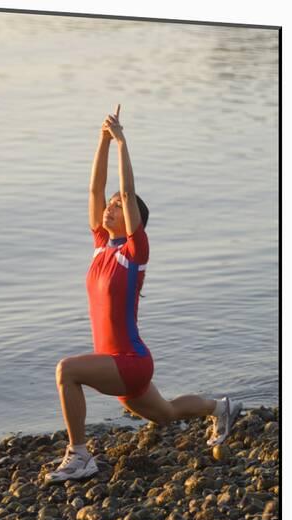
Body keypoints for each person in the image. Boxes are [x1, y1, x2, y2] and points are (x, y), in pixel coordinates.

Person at [44, 105, 242, 484]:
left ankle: (80, 456)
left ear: (133, 218)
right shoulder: (102, 246)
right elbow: (94, 189)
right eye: (111, 204)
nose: (110, 207)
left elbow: (129, 191)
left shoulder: (134, 254)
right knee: (165, 413)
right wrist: (101, 141)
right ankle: (222, 407)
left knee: (66, 371)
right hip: (120, 364)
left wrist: (122, 143)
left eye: (118, 206)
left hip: (129, 361)